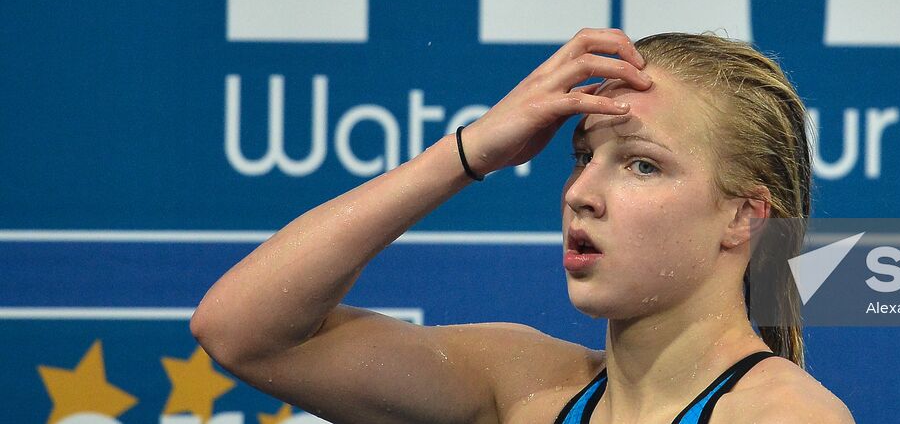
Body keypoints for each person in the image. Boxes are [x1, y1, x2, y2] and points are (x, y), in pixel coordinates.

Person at [192, 27, 855, 424]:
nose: (583, 193)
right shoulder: (523, 392)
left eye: (642, 166)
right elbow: (243, 333)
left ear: (744, 215)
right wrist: (469, 150)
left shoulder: (782, 416)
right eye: (583, 157)